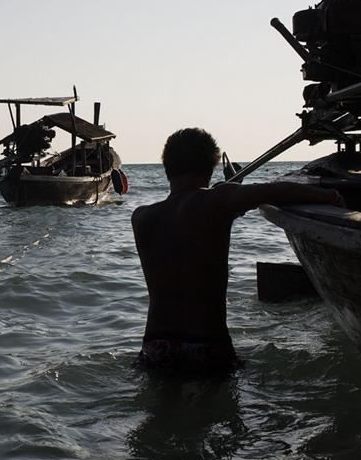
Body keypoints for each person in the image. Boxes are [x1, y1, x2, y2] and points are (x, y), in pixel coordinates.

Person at [131, 128, 342, 373]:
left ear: (167, 168)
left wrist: (227, 192)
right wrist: (330, 195)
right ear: (211, 166)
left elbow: (189, 221)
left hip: (157, 345)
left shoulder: (142, 217)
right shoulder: (219, 201)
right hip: (207, 344)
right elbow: (274, 190)